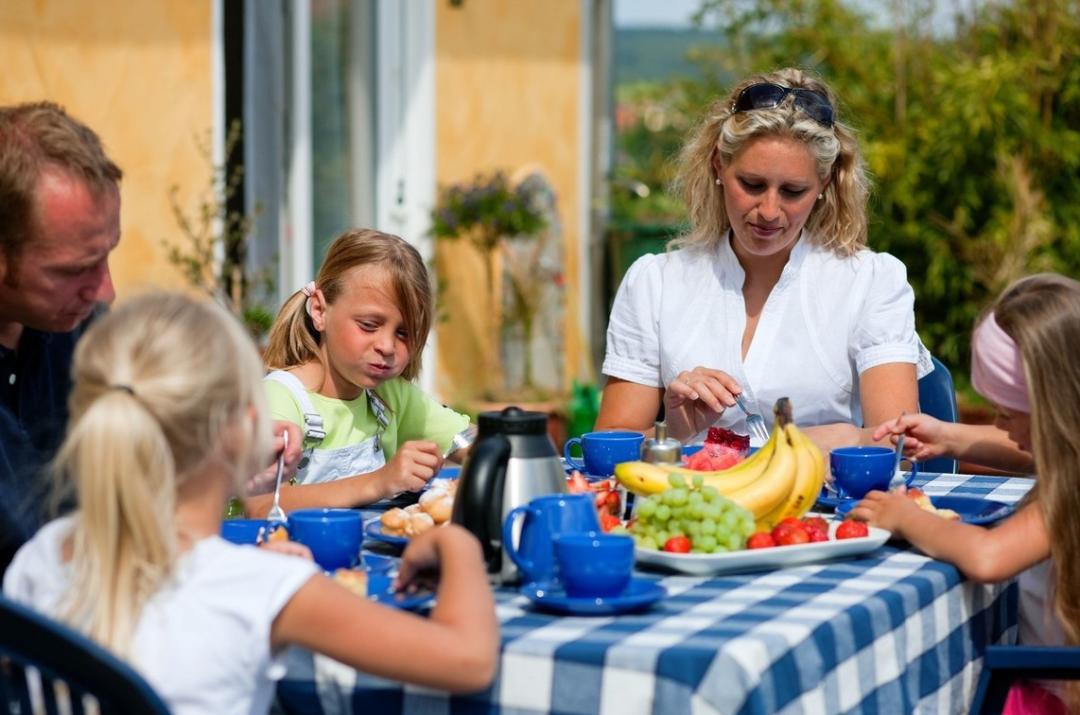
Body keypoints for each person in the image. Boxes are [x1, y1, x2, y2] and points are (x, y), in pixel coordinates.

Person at [2, 293, 499, 714]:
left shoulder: (39, 558)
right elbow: (471, 661)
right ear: (239, 429)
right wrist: (456, 543)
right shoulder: (265, 593)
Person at [0, 102, 300, 575]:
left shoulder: (82, 336)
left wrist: (222, 456)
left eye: (107, 256)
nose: (106, 290)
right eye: (75, 269)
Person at [596, 68, 931, 453]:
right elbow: (610, 444)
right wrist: (674, 431)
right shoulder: (654, 282)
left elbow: (897, 442)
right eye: (752, 185)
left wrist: (819, 444)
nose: (770, 211)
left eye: (793, 191)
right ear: (719, 167)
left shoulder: (871, 281)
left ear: (824, 185)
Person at [855, 273, 1080, 714]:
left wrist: (905, 517)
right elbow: (1034, 449)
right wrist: (949, 437)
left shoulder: (1069, 491)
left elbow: (988, 558)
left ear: (1049, 411)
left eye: (1007, 413)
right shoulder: (1069, 450)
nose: (1000, 426)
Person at [253, 228, 472, 515]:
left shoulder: (389, 395)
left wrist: (505, 447)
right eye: (369, 325)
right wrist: (379, 481)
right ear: (319, 310)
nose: (387, 346)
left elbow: (463, 438)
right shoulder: (282, 398)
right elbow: (259, 507)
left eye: (404, 333)